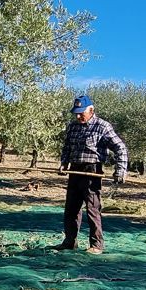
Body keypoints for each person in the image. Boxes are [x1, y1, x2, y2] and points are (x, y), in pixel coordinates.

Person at [54, 95, 128, 255]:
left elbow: (120, 148)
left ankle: (96, 245)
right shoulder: (73, 127)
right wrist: (63, 163)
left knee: (92, 209)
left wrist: (120, 170)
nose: (78, 116)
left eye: (81, 113)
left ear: (91, 110)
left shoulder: (102, 127)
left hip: (92, 171)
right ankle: (69, 242)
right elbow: (67, 147)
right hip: (75, 170)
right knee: (71, 209)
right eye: (76, 113)